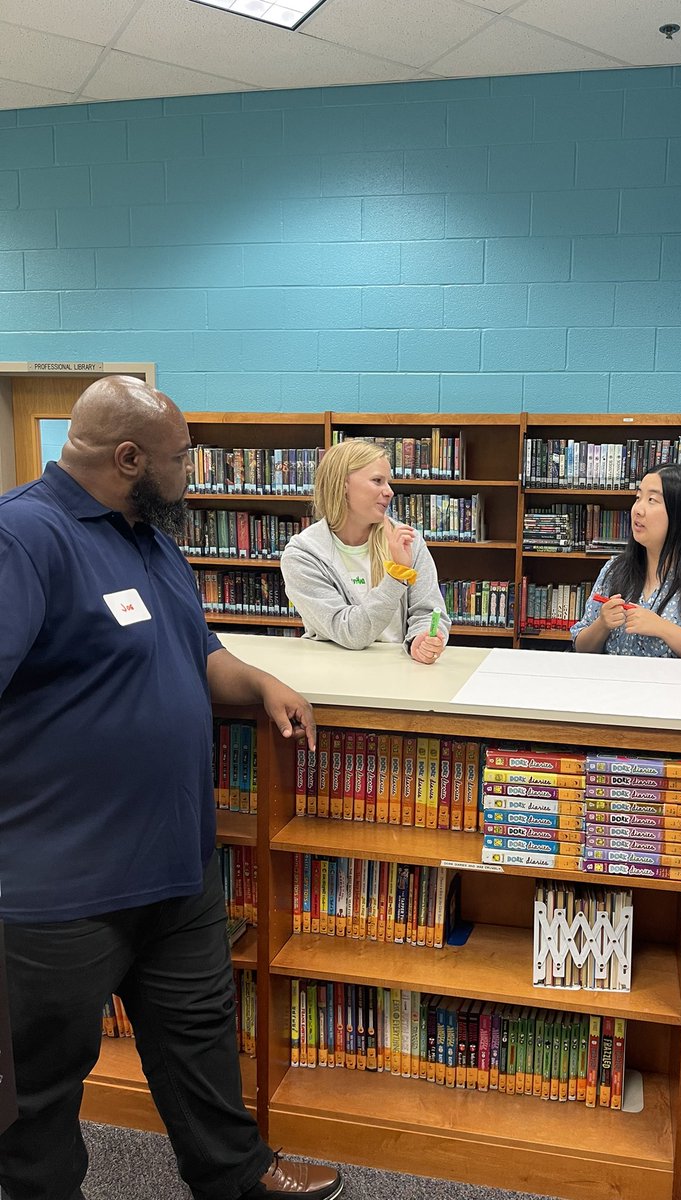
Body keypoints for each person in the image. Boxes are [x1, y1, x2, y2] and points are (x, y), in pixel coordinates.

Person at [0, 376, 342, 1200]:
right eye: (183, 458)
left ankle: (237, 1178)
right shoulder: (23, 537)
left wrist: (257, 681)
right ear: (128, 458)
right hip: (60, 888)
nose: (193, 472)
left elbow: (198, 652)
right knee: (40, 1090)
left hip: (173, 865)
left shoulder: (149, 536)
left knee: (200, 1045)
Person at [281, 438, 450, 664]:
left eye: (388, 482)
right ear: (342, 485)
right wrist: (397, 575)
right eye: (377, 481)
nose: (389, 492)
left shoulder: (406, 540)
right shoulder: (302, 556)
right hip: (333, 675)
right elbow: (350, 633)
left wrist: (421, 639)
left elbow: (429, 612)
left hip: (399, 674)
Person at [570, 461, 681, 660]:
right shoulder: (615, 569)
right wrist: (602, 624)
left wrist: (663, 628)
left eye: (652, 500)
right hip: (617, 688)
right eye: (638, 498)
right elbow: (581, 647)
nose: (638, 509)